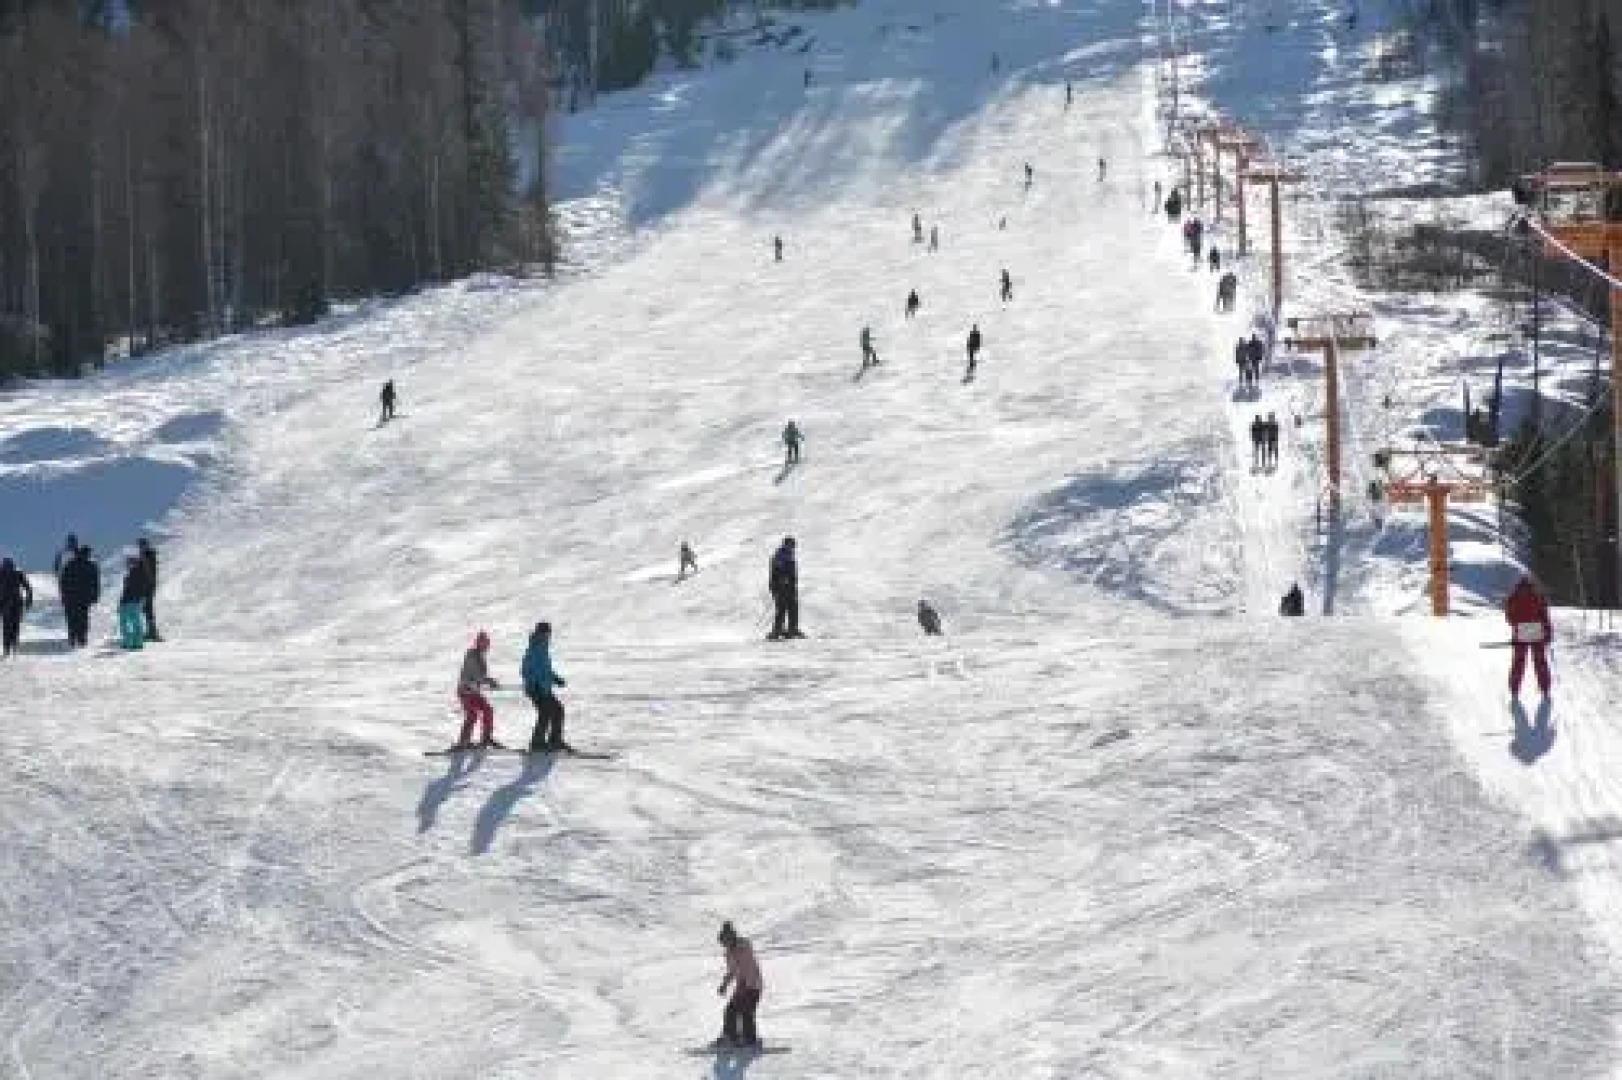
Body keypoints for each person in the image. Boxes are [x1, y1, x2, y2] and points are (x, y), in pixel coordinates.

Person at [521, 621, 571, 752]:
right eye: (547, 633)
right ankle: (537, 743)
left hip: (544, 688)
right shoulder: (533, 648)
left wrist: (555, 678)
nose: (549, 636)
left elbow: (546, 670)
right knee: (546, 712)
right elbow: (524, 670)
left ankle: (555, 740)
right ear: (541, 633)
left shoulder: (543, 648)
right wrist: (534, 683)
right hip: (535, 689)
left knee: (558, 710)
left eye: (549, 633)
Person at [715, 921, 764, 1049]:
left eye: (726, 941)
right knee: (730, 1011)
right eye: (723, 943)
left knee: (746, 1012)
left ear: (731, 937)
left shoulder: (744, 947)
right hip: (742, 986)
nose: (724, 945)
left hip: (753, 985)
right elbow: (732, 971)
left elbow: (748, 967)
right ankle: (731, 1037)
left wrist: (745, 984)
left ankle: (750, 1040)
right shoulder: (729, 953)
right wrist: (724, 984)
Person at [1504, 575, 1553, 699]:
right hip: (1537, 631)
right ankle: (1545, 688)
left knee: (1519, 661)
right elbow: (1545, 617)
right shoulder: (1538, 596)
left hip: (1521, 632)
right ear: (1532, 585)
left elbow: (1509, 618)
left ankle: (1514, 689)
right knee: (1540, 661)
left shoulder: (1513, 597)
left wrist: (1518, 627)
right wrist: (1547, 633)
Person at [454, 631, 502, 749]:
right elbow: (476, 676)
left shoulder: (480, 656)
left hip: (473, 691)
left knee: (487, 710)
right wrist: (489, 681)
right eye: (484, 644)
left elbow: (479, 677)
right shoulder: (472, 655)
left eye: (487, 644)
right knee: (472, 715)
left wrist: (488, 681)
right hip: (465, 691)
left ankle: (486, 738)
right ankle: (463, 742)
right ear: (479, 643)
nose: (486, 647)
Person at [59, 545, 100, 648]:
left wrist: (64, 595)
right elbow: (95, 583)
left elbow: (63, 581)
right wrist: (95, 596)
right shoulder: (91, 566)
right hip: (84, 597)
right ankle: (82, 638)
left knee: (72, 617)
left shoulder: (69, 565)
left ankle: (72, 637)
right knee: (83, 617)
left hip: (70, 597)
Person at [768, 537, 802, 640]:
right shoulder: (780, 555)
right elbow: (778, 570)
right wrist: (782, 580)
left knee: (793, 607)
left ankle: (792, 629)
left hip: (789, 587)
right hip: (781, 587)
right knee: (782, 608)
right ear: (786, 544)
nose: (793, 548)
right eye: (792, 545)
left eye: (793, 546)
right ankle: (777, 630)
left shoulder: (788, 555)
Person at [117, 549, 150, 650]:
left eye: (130, 562)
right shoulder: (138, 572)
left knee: (128, 621)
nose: (128, 564)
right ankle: (135, 642)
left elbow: (130, 588)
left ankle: (131, 642)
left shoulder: (137, 573)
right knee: (133, 621)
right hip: (133, 600)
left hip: (131, 600)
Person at [0, 557, 32, 657]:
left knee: (8, 626)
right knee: (14, 625)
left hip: (8, 603)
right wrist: (28, 600)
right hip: (15, 603)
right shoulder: (17, 574)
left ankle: (8, 647)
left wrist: (28, 599)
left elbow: (27, 588)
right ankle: (12, 646)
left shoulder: (14, 574)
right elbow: (28, 588)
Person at [137, 537, 161, 641]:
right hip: (148, 585)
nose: (140, 548)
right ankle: (151, 631)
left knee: (148, 608)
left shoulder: (147, 556)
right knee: (146, 608)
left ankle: (152, 632)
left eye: (141, 545)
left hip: (147, 586)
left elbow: (147, 571)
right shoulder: (148, 555)